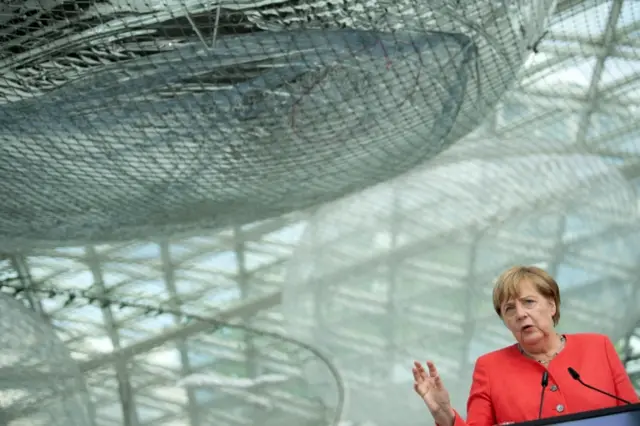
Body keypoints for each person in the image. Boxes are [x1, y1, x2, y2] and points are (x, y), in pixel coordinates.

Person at [412, 265, 638, 426]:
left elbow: (633, 415)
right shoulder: (489, 368)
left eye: (529, 302)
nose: (520, 314)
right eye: (509, 309)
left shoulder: (598, 347)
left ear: (552, 306)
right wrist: (445, 416)